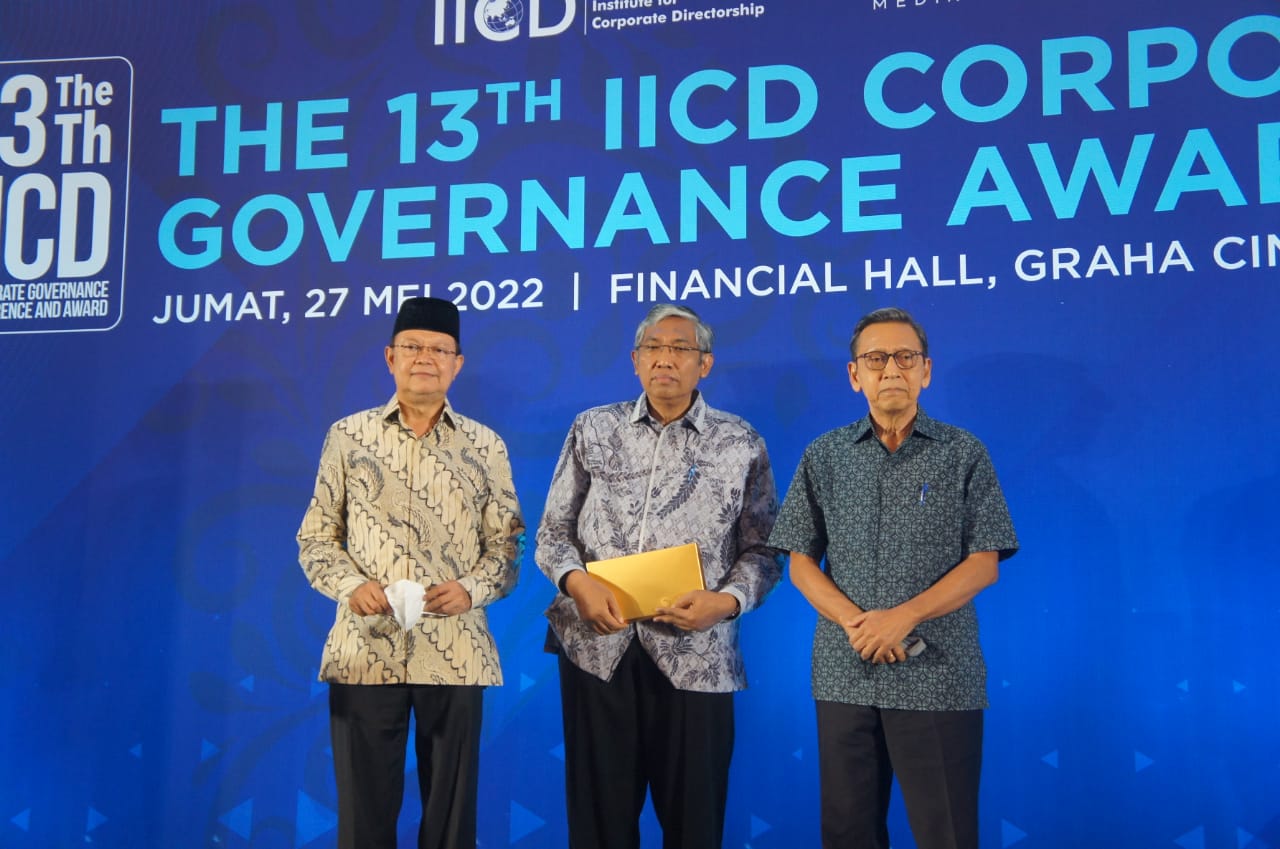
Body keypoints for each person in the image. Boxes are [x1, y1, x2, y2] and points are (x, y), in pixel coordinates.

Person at [768, 307, 1019, 849]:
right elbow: (800, 562)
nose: (891, 370)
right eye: (876, 358)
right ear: (854, 374)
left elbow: (985, 562)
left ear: (926, 370)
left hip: (938, 673)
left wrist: (903, 618)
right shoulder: (825, 455)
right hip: (845, 672)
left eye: (905, 357)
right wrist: (857, 624)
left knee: (946, 833)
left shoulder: (963, 453)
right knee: (847, 833)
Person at [536, 303, 782, 849]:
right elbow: (553, 532)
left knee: (695, 825)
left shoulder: (740, 441)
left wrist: (727, 602)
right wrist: (577, 582)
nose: (664, 359)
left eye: (679, 349)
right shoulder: (593, 428)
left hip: (697, 655)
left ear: (705, 364)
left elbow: (765, 550)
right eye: (653, 348)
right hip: (597, 647)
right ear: (635, 360)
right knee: (598, 826)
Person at [297, 297, 524, 849]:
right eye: (413, 347)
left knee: (451, 822)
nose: (426, 358)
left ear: (458, 364)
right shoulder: (348, 436)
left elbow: (508, 547)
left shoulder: (486, 445)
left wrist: (470, 590)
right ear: (390, 357)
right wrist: (352, 586)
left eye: (440, 350)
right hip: (365, 649)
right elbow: (315, 539)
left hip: (456, 650)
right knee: (363, 819)